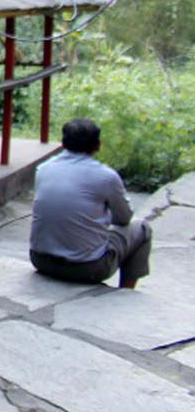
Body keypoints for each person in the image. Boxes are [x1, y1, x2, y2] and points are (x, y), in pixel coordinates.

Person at [29, 118, 152, 288]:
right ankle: (127, 291)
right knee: (142, 229)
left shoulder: (43, 169)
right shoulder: (106, 176)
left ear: (63, 143)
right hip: (87, 269)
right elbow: (124, 219)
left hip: (40, 260)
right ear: (98, 145)